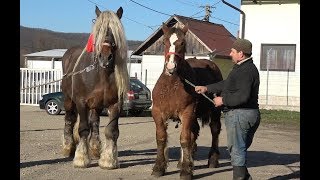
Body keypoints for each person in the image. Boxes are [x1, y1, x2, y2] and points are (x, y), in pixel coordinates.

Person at [195, 38, 260, 180]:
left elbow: (242, 96)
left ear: (241, 54)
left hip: (241, 115)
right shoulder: (242, 68)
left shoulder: (246, 71)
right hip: (245, 114)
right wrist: (207, 88)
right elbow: (227, 84)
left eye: (233, 51)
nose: (230, 54)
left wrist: (222, 100)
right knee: (239, 149)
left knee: (237, 150)